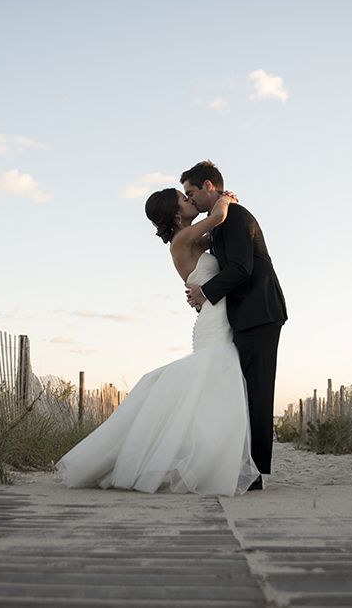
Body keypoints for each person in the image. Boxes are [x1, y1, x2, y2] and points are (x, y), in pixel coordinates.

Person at [55, 188, 259, 495]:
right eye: (184, 199)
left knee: (207, 395)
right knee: (216, 387)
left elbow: (218, 238)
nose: (190, 201)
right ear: (177, 214)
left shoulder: (191, 239)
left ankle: (206, 459)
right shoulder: (182, 239)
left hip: (214, 318)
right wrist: (225, 199)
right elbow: (218, 217)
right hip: (214, 325)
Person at [182, 160, 286, 491]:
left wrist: (205, 292)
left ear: (208, 186)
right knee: (242, 391)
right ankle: (244, 468)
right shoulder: (223, 221)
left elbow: (241, 268)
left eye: (191, 192)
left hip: (259, 311)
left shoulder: (235, 218)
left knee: (255, 391)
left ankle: (254, 474)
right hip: (248, 313)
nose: (191, 199)